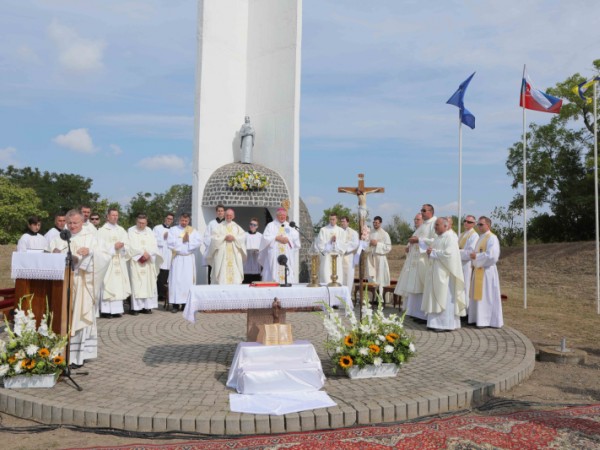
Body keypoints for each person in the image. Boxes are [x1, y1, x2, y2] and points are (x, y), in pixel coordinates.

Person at [48, 209, 109, 368]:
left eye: (75, 223)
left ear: (82, 222)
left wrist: (90, 253)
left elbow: (105, 256)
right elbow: (48, 254)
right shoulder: (59, 238)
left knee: (78, 317)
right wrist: (53, 253)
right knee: (62, 318)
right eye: (69, 223)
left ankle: (77, 356)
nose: (72, 226)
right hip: (61, 284)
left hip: (82, 283)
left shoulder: (91, 238)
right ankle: (60, 354)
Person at [422, 217, 466, 331]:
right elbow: (434, 252)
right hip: (436, 272)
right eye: (435, 225)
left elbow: (449, 255)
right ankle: (434, 323)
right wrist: (429, 252)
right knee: (435, 296)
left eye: (437, 225)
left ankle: (445, 324)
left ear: (445, 226)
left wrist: (433, 252)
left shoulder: (450, 238)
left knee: (445, 298)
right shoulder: (438, 238)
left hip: (445, 275)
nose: (435, 227)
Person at [401, 204, 437, 321]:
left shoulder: (434, 223)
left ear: (431, 211)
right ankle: (416, 313)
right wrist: (411, 244)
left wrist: (419, 240)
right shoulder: (422, 226)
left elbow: (435, 241)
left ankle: (424, 315)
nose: (421, 212)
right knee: (416, 288)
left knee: (424, 287)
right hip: (416, 261)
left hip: (425, 261)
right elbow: (415, 239)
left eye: (424, 210)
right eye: (421, 210)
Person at [468, 216, 503, 328]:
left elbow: (492, 256)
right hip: (478, 270)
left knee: (486, 296)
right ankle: (477, 318)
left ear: (488, 225)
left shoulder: (492, 238)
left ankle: (486, 321)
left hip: (487, 272)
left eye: (481, 224)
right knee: (478, 296)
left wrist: (476, 256)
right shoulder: (481, 238)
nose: (478, 226)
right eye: (478, 224)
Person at [97, 208, 131, 318]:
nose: (115, 217)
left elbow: (128, 243)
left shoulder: (121, 230)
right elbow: (99, 247)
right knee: (108, 284)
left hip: (119, 260)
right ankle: (106, 311)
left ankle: (117, 310)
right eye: (112, 215)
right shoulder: (102, 231)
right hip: (108, 261)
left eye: (116, 215)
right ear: (107, 216)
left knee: (118, 284)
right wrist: (113, 247)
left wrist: (123, 246)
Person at [128, 214, 162, 315]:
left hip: (148, 261)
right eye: (139, 222)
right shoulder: (131, 231)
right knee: (136, 284)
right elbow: (130, 246)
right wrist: (141, 253)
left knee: (148, 284)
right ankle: (135, 308)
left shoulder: (149, 231)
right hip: (136, 261)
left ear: (146, 223)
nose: (141, 225)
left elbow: (154, 245)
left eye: (143, 223)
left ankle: (147, 307)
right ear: (136, 221)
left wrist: (149, 254)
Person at [168, 213, 201, 312]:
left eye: (186, 221)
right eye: (182, 220)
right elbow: (170, 243)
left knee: (187, 281)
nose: (184, 222)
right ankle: (175, 305)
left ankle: (185, 304)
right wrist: (182, 240)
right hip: (178, 258)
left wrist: (189, 240)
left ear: (188, 221)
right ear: (179, 219)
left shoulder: (193, 231)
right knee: (176, 281)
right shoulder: (173, 230)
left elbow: (199, 242)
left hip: (188, 259)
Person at [259, 208, 301, 284]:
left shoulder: (290, 226)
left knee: (286, 271)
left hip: (286, 253)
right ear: (277, 216)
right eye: (280, 215)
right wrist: (276, 237)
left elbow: (295, 239)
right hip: (274, 254)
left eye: (284, 215)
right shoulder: (270, 225)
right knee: (274, 271)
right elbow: (265, 238)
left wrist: (288, 240)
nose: (282, 217)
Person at [206, 208, 247, 284]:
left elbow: (242, 237)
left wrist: (234, 237)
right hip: (222, 254)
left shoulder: (237, 227)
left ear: (233, 216)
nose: (228, 217)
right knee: (222, 273)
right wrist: (224, 237)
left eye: (230, 215)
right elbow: (214, 238)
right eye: (227, 215)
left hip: (234, 255)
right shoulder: (219, 226)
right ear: (225, 215)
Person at [395, 212, 423, 304]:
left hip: (419, 263)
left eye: (417, 219)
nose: (415, 221)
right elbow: (410, 246)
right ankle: (408, 307)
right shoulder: (416, 231)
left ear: (422, 220)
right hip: (411, 262)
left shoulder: (423, 230)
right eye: (414, 219)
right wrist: (408, 248)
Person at [364, 216, 392, 296]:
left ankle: (380, 298)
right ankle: (371, 298)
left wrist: (377, 244)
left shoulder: (385, 234)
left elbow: (388, 247)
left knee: (380, 278)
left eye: (376, 223)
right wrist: (369, 244)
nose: (375, 224)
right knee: (371, 277)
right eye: (374, 222)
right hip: (371, 258)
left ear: (380, 223)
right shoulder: (370, 233)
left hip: (380, 259)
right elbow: (365, 246)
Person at [316, 213, 347, 284]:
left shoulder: (341, 231)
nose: (332, 221)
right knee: (326, 277)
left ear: (337, 220)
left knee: (337, 278)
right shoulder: (323, 230)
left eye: (333, 219)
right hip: (327, 257)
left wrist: (335, 242)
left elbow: (343, 245)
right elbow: (320, 244)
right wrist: (330, 242)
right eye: (330, 219)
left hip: (337, 257)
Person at [458, 215, 479, 311]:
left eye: (469, 222)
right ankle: (459, 309)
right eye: (465, 221)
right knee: (458, 287)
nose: (466, 223)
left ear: (474, 224)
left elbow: (470, 252)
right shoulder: (461, 234)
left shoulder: (474, 236)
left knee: (466, 287)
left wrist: (457, 252)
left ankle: (466, 311)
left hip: (467, 265)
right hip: (459, 263)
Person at [202, 205, 225, 285]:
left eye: (222, 211)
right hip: (213, 251)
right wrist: (214, 245)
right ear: (216, 212)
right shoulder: (211, 223)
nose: (220, 212)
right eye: (218, 211)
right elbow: (206, 237)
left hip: (223, 251)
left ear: (224, 212)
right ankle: (210, 286)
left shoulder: (227, 223)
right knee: (212, 270)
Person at [153, 213, 174, 302]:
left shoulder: (173, 229)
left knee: (167, 275)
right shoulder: (157, 228)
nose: (169, 220)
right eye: (168, 218)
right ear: (165, 218)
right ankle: (158, 294)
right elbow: (153, 240)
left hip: (169, 254)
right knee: (159, 275)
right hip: (160, 254)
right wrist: (163, 238)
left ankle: (164, 294)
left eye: (171, 219)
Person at [339, 216, 360, 294]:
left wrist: (345, 248)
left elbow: (355, 244)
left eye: (344, 221)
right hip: (340, 257)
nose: (342, 223)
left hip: (348, 256)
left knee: (348, 277)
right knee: (340, 276)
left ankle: (347, 296)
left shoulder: (353, 232)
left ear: (348, 222)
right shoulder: (338, 231)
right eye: (341, 221)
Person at [243, 217, 262, 284]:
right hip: (247, 261)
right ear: (249, 225)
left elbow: (262, 248)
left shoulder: (260, 236)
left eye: (254, 225)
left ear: (257, 226)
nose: (252, 226)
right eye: (251, 224)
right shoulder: (244, 235)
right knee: (246, 281)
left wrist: (258, 251)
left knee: (256, 281)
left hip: (256, 261)